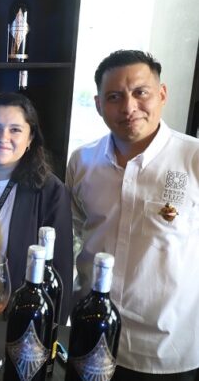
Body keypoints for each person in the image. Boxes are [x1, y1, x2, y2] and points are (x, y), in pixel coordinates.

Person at [66, 50, 199, 380]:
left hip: (165, 352)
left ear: (162, 94)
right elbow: (77, 232)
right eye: (114, 97)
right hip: (89, 336)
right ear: (98, 105)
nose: (128, 107)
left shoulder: (192, 159)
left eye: (141, 92)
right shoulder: (82, 162)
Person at [0, 92, 73, 320]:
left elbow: (60, 275)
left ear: (30, 139)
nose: (3, 137)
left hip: (17, 320)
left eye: (15, 130)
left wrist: (51, 331)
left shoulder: (50, 192)